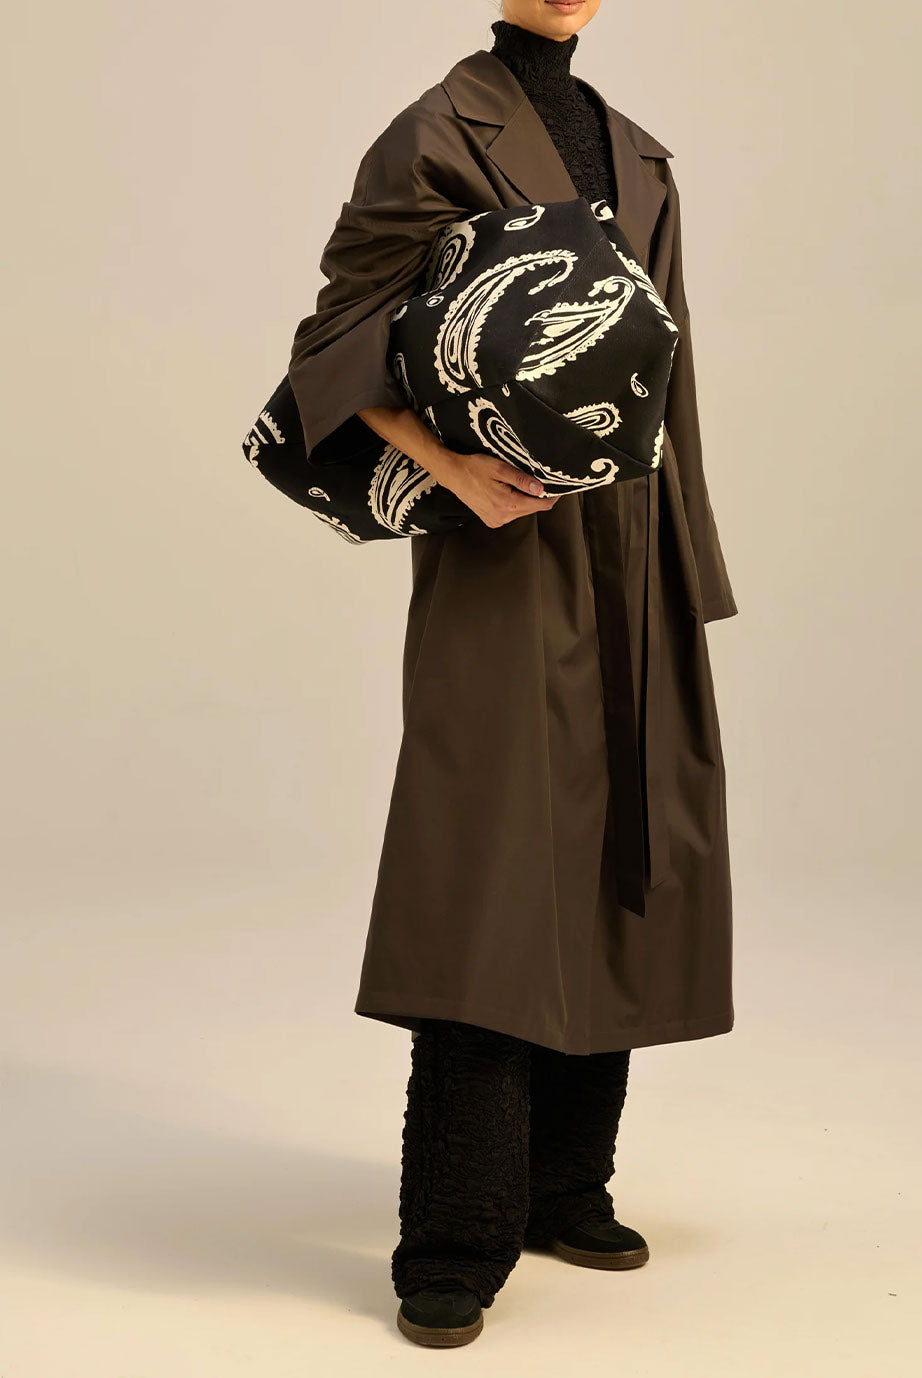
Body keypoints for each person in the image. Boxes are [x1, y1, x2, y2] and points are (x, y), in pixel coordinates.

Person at [287, 0, 739, 1349]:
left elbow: (669, 380)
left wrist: (690, 561)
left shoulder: (640, 152)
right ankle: (452, 1237)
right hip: (507, 550)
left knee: (617, 852)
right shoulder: (437, 130)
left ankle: (562, 1185)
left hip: (635, 545)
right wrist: (457, 477)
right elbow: (332, 349)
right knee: (491, 868)